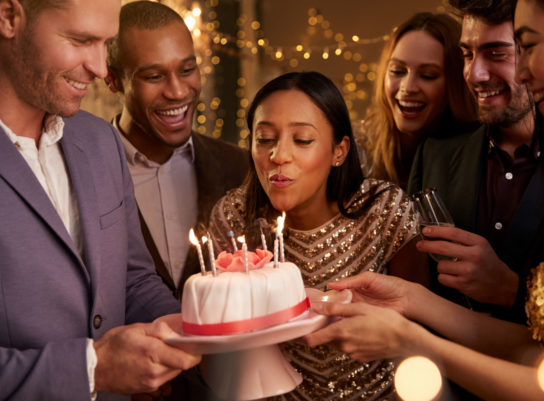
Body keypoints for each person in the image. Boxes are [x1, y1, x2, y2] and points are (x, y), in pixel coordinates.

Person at [306, 0, 544, 399]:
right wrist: (411, 301)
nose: (475, 74)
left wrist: (413, 341)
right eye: (465, 55)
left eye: (520, 48)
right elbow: (543, 353)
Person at [0, 0, 201, 400]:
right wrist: (92, 369)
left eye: (105, 43)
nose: (100, 67)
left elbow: (132, 279)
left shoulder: (99, 139)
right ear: (8, 17)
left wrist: (206, 331)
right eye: (80, 40)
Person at [208, 71, 424, 400]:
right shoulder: (234, 217)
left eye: (302, 140)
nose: (278, 156)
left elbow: (422, 332)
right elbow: (218, 343)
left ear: (339, 150)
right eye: (264, 138)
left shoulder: (384, 211)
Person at [407, 0, 544, 323]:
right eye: (467, 54)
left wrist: (510, 289)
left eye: (496, 54)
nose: (474, 74)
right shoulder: (433, 154)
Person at [105, 0, 248, 301]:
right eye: (154, 77)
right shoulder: (86, 173)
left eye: (187, 70)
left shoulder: (241, 168)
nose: (178, 91)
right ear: (113, 80)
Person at [360, 12, 477, 188]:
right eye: (397, 71)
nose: (408, 88)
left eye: (428, 75)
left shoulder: (477, 157)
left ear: (456, 84)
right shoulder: (358, 152)